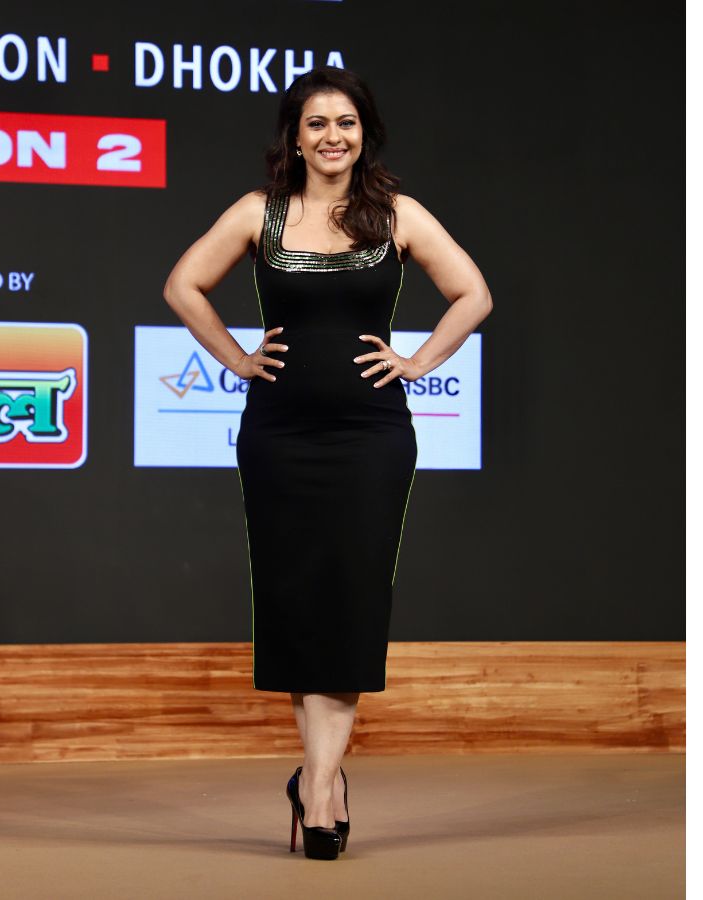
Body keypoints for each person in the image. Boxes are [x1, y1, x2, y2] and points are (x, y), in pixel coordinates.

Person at [163, 66, 493, 859]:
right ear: (295, 137)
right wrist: (238, 359)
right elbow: (183, 286)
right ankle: (324, 780)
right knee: (296, 603)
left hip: (371, 438)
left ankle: (316, 786)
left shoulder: (397, 215)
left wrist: (416, 362)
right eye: (317, 123)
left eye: (346, 122)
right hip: (278, 437)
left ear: (364, 133)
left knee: (350, 601)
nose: (332, 136)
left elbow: (473, 295)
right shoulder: (259, 212)